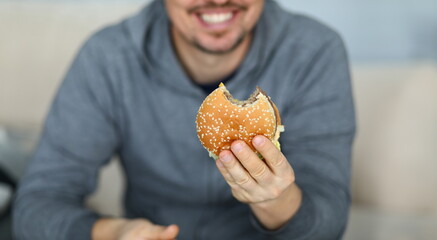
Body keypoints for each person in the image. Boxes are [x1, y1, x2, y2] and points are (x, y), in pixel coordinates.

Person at [13, 0, 356, 239]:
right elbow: (35, 208)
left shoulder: (314, 50)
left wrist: (275, 200)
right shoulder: (108, 57)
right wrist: (116, 232)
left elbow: (328, 223)